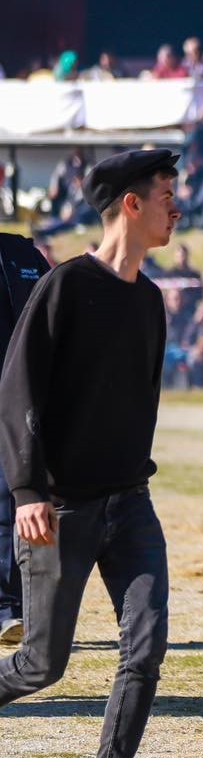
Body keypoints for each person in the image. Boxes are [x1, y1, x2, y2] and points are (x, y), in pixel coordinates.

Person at [0, 148, 179, 758]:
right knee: (40, 665)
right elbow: (17, 391)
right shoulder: (65, 287)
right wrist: (28, 491)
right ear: (131, 204)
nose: (176, 208)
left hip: (131, 504)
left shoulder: (151, 301)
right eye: (166, 195)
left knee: (147, 645)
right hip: (60, 510)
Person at [0, 234, 51, 644]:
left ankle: (9, 607)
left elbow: (57, 313)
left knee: (10, 502)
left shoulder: (23, 254)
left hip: (18, 401)